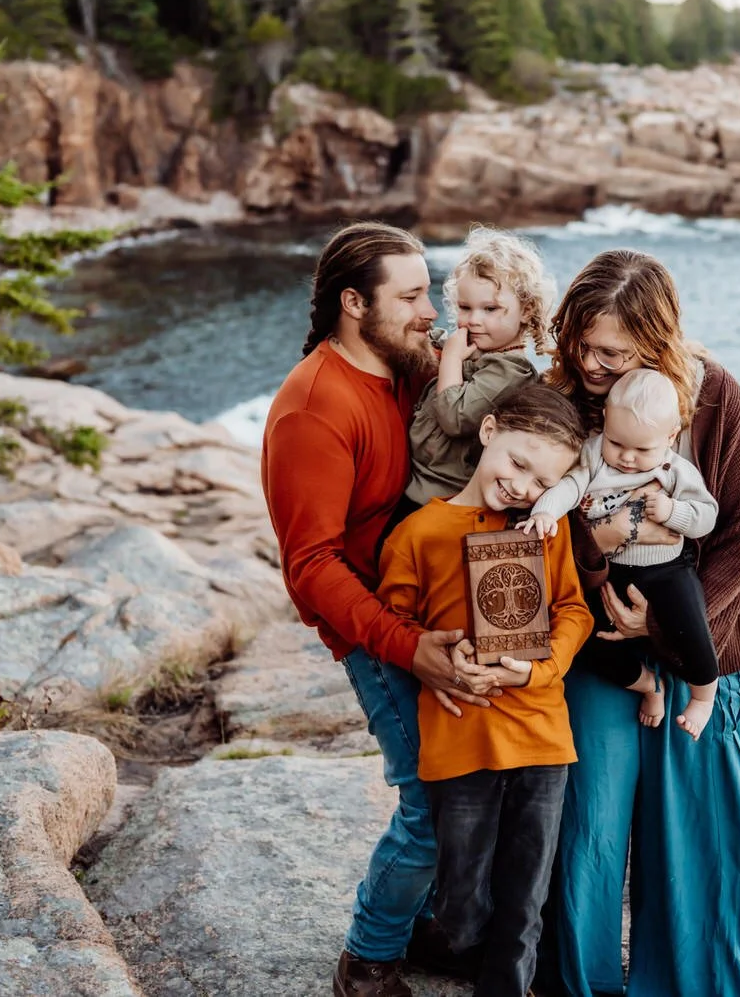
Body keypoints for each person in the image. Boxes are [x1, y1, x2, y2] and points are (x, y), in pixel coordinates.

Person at [262, 221, 504, 997]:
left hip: (440, 612)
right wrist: (407, 644)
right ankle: (367, 960)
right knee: (430, 802)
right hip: (380, 633)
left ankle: (435, 929)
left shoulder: (412, 367)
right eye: (410, 296)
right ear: (353, 303)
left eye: (429, 291)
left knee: (477, 786)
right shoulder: (313, 409)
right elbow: (311, 567)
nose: (432, 310)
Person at [540, 250, 740, 997]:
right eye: (581, 341)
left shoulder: (714, 399)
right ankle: (578, 983)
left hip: (698, 641)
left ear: (656, 343)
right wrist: (598, 561)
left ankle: (696, 984)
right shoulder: (559, 401)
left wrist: (675, 626)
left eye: (612, 351)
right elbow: (534, 521)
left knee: (698, 840)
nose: (591, 361)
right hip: (596, 648)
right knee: (589, 828)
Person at [379, 383, 595, 997]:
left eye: (541, 480)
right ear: (488, 430)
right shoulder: (418, 533)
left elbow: (574, 611)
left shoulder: (541, 531)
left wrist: (537, 669)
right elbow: (396, 629)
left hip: (540, 737)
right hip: (460, 739)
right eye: (519, 462)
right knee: (462, 903)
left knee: (526, 898)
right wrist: (434, 661)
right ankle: (438, 942)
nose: (524, 486)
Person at [520, 368, 720, 740]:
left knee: (691, 624)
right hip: (610, 573)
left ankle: (704, 695)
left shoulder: (676, 470)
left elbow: (707, 516)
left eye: (642, 449)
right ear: (606, 422)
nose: (627, 458)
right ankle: (646, 685)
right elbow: (569, 486)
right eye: (617, 443)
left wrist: (673, 512)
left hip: (666, 569)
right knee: (583, 641)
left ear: (670, 437)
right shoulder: (594, 455)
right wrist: (545, 511)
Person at [404, 227, 555, 510]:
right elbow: (438, 342)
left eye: (490, 309)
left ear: (526, 310)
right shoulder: (480, 348)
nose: (473, 320)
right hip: (417, 481)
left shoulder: (510, 372)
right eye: (464, 307)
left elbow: (454, 417)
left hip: (445, 495)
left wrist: (450, 359)